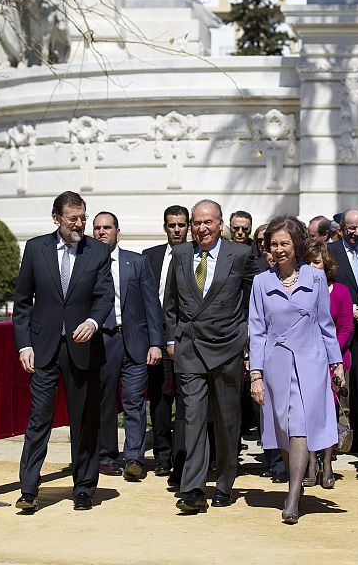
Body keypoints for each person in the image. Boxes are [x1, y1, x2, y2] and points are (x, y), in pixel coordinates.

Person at [12, 191, 114, 512]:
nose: (80, 224)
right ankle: (29, 489)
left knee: (84, 421)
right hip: (43, 350)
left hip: (82, 350)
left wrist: (94, 323)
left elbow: (104, 297)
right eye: (73, 219)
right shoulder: (34, 248)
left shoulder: (96, 251)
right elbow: (22, 302)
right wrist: (24, 343)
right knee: (39, 419)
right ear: (56, 218)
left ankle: (83, 488)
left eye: (83, 218)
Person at [249, 216, 344, 524]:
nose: (278, 250)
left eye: (284, 244)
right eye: (273, 244)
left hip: (310, 364)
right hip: (276, 364)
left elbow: (325, 325)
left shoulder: (316, 279)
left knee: (301, 425)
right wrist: (256, 375)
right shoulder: (261, 282)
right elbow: (258, 330)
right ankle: (296, 480)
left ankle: (292, 493)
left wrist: (337, 363)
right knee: (285, 429)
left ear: (297, 245)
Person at [164, 199, 257, 514]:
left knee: (227, 421)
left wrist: (246, 335)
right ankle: (193, 489)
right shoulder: (180, 254)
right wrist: (171, 337)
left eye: (208, 222)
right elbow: (171, 302)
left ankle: (225, 483)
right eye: (197, 223)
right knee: (192, 419)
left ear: (220, 225)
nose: (201, 228)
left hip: (227, 347)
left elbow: (253, 298)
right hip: (190, 347)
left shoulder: (241, 254)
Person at [93, 212, 163, 480]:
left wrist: (155, 342)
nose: (102, 232)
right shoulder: (86, 264)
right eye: (97, 228)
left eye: (107, 227)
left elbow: (151, 305)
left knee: (134, 401)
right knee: (105, 402)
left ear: (117, 232)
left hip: (134, 340)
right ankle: (107, 456)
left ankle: (134, 457)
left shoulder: (137, 262)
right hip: (103, 341)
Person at [143, 205, 189, 479]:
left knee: (186, 398)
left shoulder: (197, 256)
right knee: (159, 398)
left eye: (181, 225)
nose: (176, 229)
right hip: (156, 336)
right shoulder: (150, 257)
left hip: (186, 337)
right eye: (171, 225)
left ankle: (181, 455)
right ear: (165, 227)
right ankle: (162, 455)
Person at [303, 241, 353, 489]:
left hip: (335, 361)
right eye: (309, 262)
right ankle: (311, 463)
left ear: (326, 265)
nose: (314, 267)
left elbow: (345, 327)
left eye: (317, 262)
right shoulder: (301, 291)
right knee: (309, 414)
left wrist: (330, 352)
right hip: (307, 361)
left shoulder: (341, 291)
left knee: (329, 415)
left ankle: (328, 461)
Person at [329, 208, 358, 457]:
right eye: (352, 228)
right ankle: (332, 443)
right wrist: (350, 308)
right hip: (339, 327)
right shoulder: (331, 252)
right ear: (342, 229)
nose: (356, 233)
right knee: (337, 386)